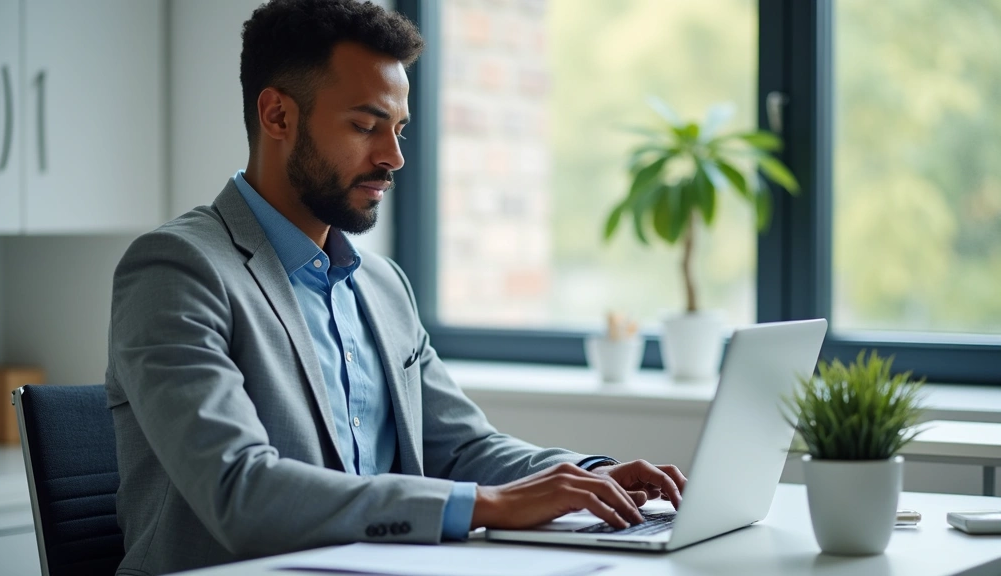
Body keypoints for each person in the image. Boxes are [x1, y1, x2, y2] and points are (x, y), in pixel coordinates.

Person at [105, 1, 686, 574]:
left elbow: (461, 448)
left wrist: (589, 476)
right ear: (278, 116)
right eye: (365, 126)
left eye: (399, 129)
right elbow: (240, 489)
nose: (394, 156)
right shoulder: (177, 269)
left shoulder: (382, 284)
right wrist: (488, 505)